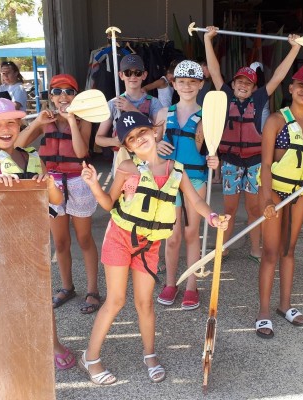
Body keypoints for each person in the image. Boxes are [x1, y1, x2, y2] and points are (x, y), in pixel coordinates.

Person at [79, 111, 229, 385]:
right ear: (128, 147)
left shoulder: (177, 169)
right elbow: (108, 203)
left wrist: (212, 217)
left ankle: (150, 354)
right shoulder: (127, 169)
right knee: (116, 300)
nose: (140, 140)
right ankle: (90, 357)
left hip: (149, 244)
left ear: (155, 131)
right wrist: (91, 183)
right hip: (120, 238)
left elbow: (196, 201)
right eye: (133, 139)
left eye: (143, 132)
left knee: (145, 302)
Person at [0, 97, 77, 371]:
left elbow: (55, 199)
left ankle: (52, 343)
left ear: (19, 125)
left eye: (11, 123)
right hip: (1, 247)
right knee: (8, 298)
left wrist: (48, 183)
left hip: (35, 239)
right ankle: (12, 347)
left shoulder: (33, 157)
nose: (5, 129)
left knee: (41, 294)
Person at [204, 26, 301, 263]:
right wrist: (208, 39)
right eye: (239, 81)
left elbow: (278, 76)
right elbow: (215, 71)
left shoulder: (259, 99)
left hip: (256, 162)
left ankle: (255, 247)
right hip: (230, 162)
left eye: (248, 82)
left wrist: (295, 48)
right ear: (234, 82)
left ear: (254, 87)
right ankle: (223, 246)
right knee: (228, 210)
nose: (243, 85)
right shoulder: (225, 95)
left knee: (254, 209)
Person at [16, 74, 102, 315]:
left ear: (76, 95)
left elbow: (81, 150)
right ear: (51, 97)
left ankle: (93, 290)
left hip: (78, 182)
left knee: (84, 239)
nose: (63, 96)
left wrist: (72, 121)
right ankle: (67, 287)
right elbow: (18, 145)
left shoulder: (84, 119)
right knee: (61, 241)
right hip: (52, 184)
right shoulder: (46, 120)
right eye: (57, 91)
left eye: (69, 91)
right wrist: (36, 124)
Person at [255, 63, 303, 339]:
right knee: (271, 252)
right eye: (301, 85)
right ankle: (263, 312)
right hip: (275, 191)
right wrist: (266, 200)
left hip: (301, 195)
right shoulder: (276, 120)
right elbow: (264, 164)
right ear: (291, 87)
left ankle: (284, 305)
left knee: (289, 250)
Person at [154, 60, 216, 310]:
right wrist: (157, 146)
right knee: (172, 237)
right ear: (174, 83)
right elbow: (151, 150)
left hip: (196, 179)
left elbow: (211, 150)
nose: (187, 86)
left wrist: (214, 158)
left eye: (192, 82)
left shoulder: (207, 117)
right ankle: (171, 283)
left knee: (192, 234)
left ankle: (192, 286)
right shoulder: (162, 114)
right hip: (169, 180)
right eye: (182, 82)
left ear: (201, 84)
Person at [95, 54, 162, 171]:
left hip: (148, 160)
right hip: (122, 158)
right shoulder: (113, 104)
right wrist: (114, 141)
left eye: (137, 73)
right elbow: (98, 139)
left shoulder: (154, 103)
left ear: (144, 75)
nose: (133, 76)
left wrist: (132, 109)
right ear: (121, 75)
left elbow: (158, 134)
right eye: (128, 73)